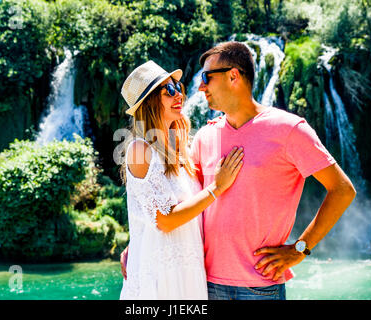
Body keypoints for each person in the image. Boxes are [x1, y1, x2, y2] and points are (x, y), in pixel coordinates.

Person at [121, 42, 356, 300]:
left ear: (233, 76)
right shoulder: (204, 137)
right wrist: (141, 242)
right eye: (171, 89)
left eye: (206, 78)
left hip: (259, 286)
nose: (198, 88)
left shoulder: (289, 129)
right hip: (203, 284)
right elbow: (175, 204)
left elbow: (342, 189)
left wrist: (300, 248)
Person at [118, 60, 244, 299]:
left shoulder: (181, 149)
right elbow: (164, 221)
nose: (179, 95)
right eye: (169, 91)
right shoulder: (140, 149)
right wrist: (218, 187)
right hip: (161, 276)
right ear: (150, 102)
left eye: (178, 87)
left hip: (189, 271)